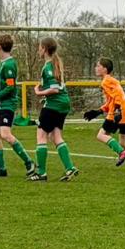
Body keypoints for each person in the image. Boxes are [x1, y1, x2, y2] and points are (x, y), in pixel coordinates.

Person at [0, 33, 36, 178]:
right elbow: (6, 78)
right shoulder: (3, 63)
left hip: (6, 105)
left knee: (5, 135)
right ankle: (1, 169)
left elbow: (10, 87)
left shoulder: (9, 64)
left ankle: (29, 162)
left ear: (0, 47)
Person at [85, 57, 125, 169]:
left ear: (105, 69)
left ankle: (121, 153)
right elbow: (111, 100)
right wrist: (99, 111)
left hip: (119, 111)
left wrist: (117, 110)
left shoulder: (106, 81)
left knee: (101, 135)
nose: (96, 68)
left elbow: (116, 97)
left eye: (98, 66)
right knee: (123, 141)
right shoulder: (111, 81)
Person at [31, 37, 79, 181]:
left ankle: (41, 172)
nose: (38, 50)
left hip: (54, 105)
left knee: (41, 136)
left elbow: (55, 89)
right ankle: (70, 168)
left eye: (40, 47)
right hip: (62, 104)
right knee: (55, 136)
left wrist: (39, 92)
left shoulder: (49, 66)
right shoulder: (55, 63)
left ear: (44, 49)